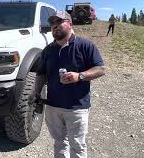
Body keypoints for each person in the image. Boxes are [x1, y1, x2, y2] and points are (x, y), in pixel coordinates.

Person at [34, 10, 105, 158]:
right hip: (53, 106)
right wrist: (36, 94)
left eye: (59, 22)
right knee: (59, 142)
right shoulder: (47, 50)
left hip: (76, 107)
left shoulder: (85, 45)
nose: (55, 26)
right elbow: (41, 74)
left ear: (70, 24)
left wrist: (80, 76)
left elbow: (100, 69)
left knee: (77, 146)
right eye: (52, 23)